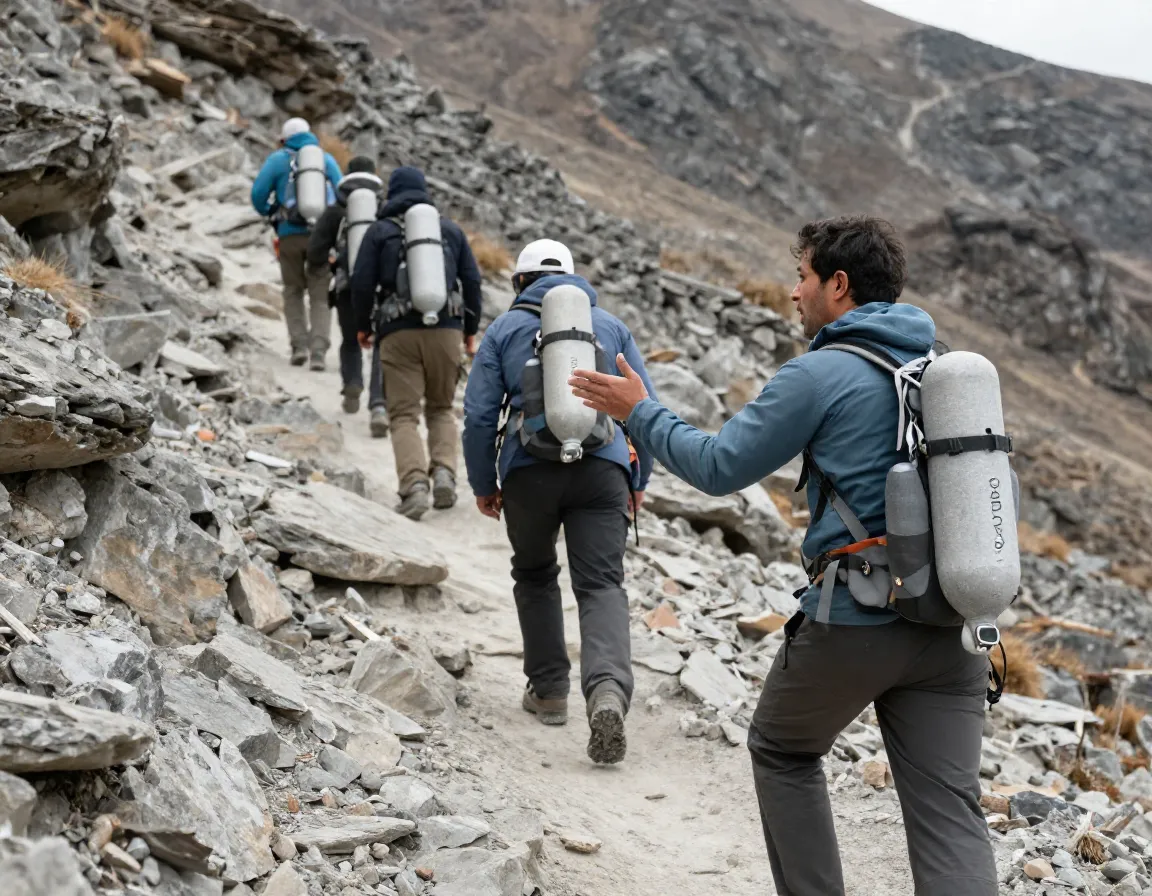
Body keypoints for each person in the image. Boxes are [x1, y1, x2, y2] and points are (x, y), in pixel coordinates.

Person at [570, 216, 997, 894]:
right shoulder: (940, 369)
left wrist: (639, 411)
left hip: (858, 620)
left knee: (782, 749)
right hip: (954, 622)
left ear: (838, 283)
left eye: (801, 277)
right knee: (949, 812)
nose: (792, 292)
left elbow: (719, 467)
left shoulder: (821, 373)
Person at [461, 239, 658, 765]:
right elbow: (646, 405)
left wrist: (484, 483)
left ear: (520, 283)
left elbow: (480, 415)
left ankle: (548, 690)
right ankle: (608, 693)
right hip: (603, 469)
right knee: (600, 584)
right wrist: (639, 476)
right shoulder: (610, 326)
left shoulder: (503, 330)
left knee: (534, 573)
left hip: (529, 472)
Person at [351, 166, 482, 519]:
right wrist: (470, 329)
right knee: (440, 408)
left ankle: (414, 488)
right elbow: (471, 281)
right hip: (447, 329)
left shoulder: (379, 231)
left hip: (397, 332)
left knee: (404, 413)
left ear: (391, 194)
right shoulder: (450, 230)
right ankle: (444, 474)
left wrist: (362, 326)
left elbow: (361, 282)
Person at [250, 117, 343, 369]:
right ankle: (319, 352)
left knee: (293, 291)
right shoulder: (326, 160)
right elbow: (343, 193)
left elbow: (258, 194)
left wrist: (272, 212)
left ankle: (299, 347)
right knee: (319, 296)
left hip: (289, 234)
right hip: (321, 237)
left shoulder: (278, 160)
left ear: (284, 139)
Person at [307, 155, 389, 436]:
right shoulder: (384, 208)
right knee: (381, 345)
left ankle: (352, 385)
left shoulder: (335, 211)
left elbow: (315, 252)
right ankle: (378, 404)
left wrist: (331, 262)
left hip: (346, 288)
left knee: (351, 340)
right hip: (381, 291)